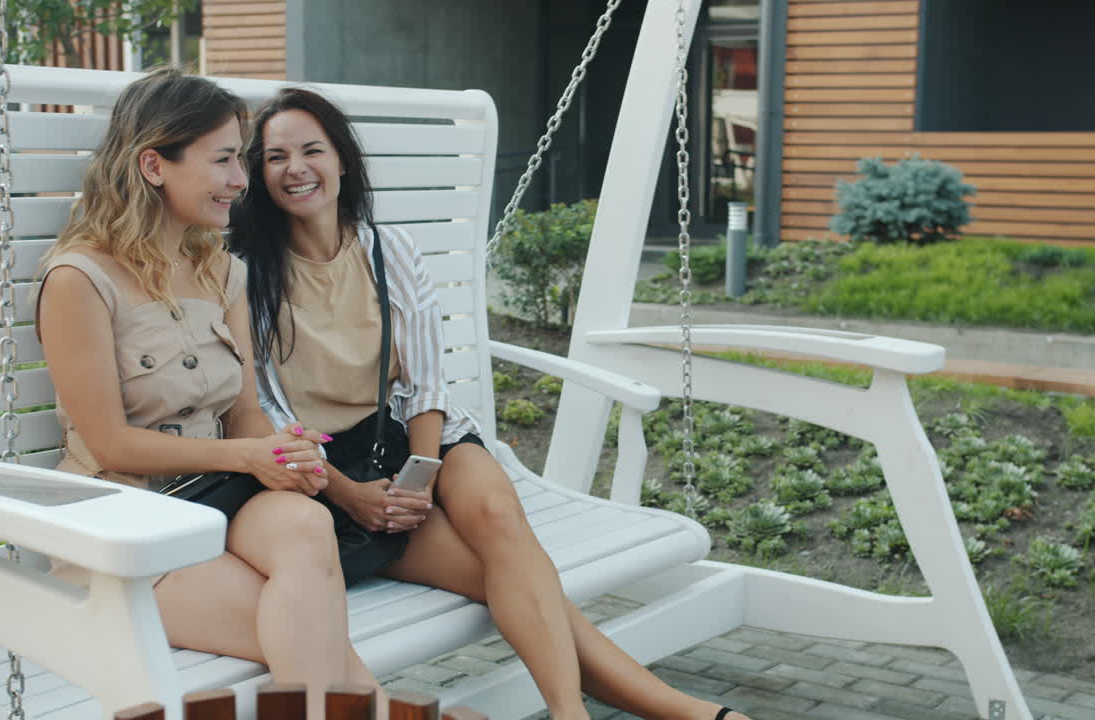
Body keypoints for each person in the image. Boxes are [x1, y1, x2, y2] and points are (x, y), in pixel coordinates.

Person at [231, 86, 750, 720]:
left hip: (409, 439)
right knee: (518, 589)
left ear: (342, 160)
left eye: (312, 150)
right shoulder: (246, 273)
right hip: (326, 473)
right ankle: (683, 712)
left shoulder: (391, 252)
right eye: (275, 157)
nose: (296, 169)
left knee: (499, 514)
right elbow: (269, 412)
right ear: (259, 175)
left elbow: (425, 385)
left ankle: (569, 712)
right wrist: (349, 492)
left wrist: (421, 477)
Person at [36, 68, 386, 720]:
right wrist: (248, 459)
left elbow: (245, 414)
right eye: (223, 159)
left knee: (308, 522)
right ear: (154, 164)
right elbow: (111, 443)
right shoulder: (80, 279)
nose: (241, 179)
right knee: (310, 631)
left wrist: (282, 450)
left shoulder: (221, 270)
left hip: (214, 505)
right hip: (124, 524)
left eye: (238, 160)